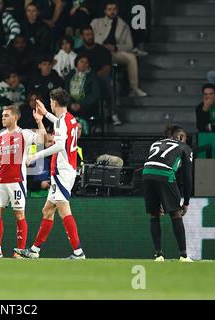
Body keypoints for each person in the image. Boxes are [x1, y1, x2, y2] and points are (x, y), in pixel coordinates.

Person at [15, 88, 86, 260]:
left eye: (50, 102)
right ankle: (34, 251)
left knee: (64, 210)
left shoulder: (62, 122)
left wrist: (35, 155)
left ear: (54, 102)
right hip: (64, 170)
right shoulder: (69, 120)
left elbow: (60, 145)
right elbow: (59, 124)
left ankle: (78, 252)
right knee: (47, 210)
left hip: (62, 171)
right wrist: (46, 114)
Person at [0, 105, 40, 258]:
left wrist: (39, 122)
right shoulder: (1, 136)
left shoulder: (24, 134)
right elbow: (1, 158)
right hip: (1, 181)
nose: (3, 118)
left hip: (17, 181)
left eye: (6, 115)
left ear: (15, 117)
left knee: (19, 214)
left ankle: (19, 252)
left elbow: (42, 139)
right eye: (2, 115)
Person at [142, 125, 194, 262]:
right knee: (176, 213)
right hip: (165, 174)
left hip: (146, 174)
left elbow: (153, 162)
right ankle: (183, 256)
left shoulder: (156, 143)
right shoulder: (185, 147)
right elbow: (188, 178)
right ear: (181, 137)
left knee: (154, 215)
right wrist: (186, 202)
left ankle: (158, 255)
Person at [90, 1, 147, 97]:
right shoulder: (96, 23)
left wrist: (116, 47)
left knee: (131, 58)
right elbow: (88, 37)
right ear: (105, 11)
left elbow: (129, 45)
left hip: (113, 53)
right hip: (97, 52)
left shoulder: (123, 25)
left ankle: (134, 88)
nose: (112, 12)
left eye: (114, 9)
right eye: (109, 9)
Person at [76, 25, 121, 125]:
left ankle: (112, 113)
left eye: (91, 34)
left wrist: (91, 77)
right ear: (82, 37)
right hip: (79, 79)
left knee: (105, 82)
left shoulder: (102, 50)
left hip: (96, 79)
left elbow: (107, 69)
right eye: (87, 35)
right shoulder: (78, 52)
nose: (90, 37)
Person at [64, 53, 101, 121]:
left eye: (86, 62)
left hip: (86, 105)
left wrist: (80, 104)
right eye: (81, 62)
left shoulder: (93, 77)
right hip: (70, 104)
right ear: (76, 63)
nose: (84, 64)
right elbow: (65, 91)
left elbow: (95, 95)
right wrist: (71, 104)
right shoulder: (70, 75)